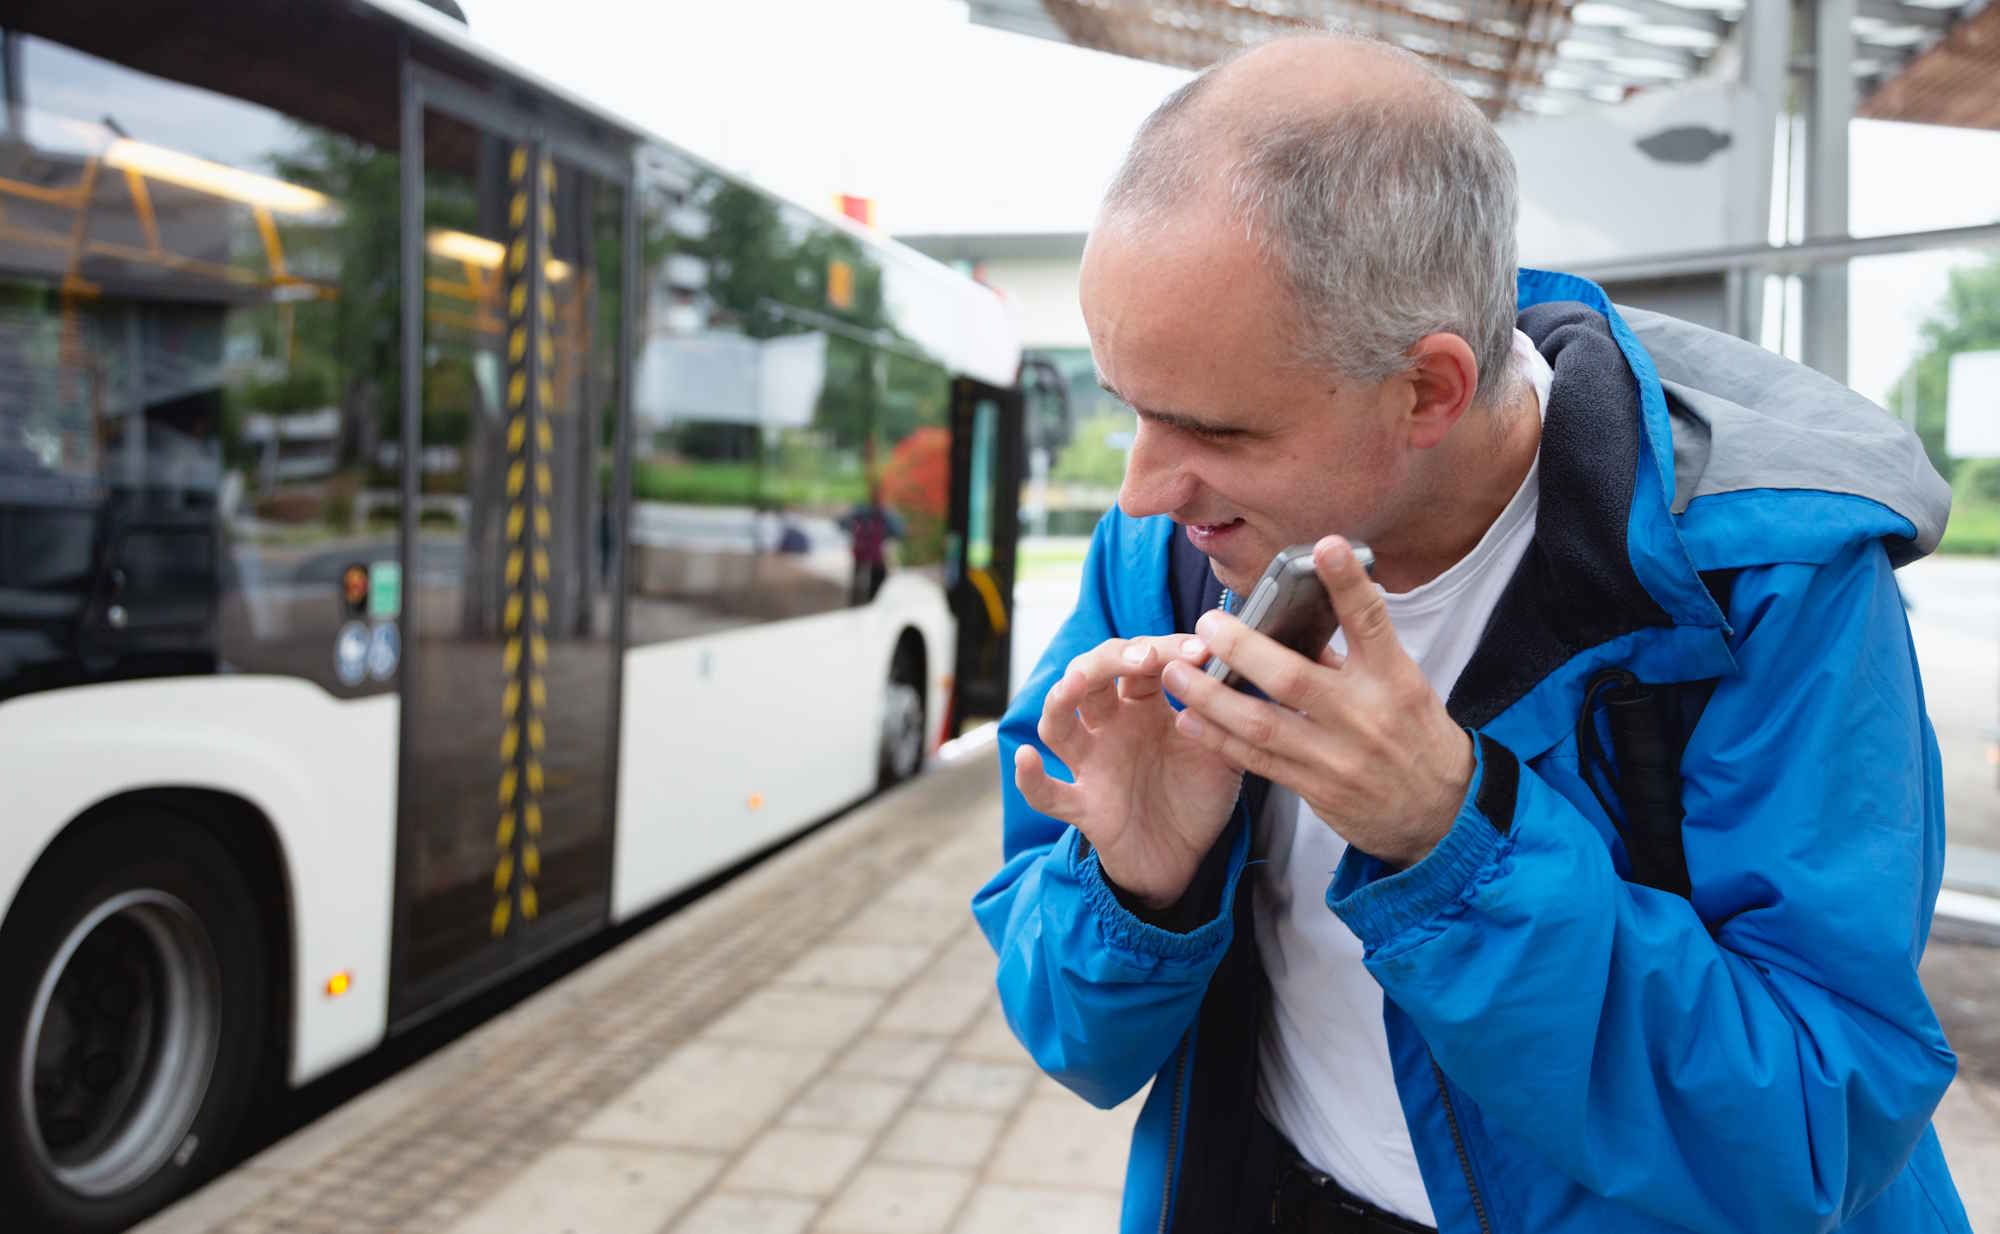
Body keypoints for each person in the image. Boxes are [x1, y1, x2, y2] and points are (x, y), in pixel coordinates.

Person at [972, 30, 1971, 1234]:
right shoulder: (1167, 563)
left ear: (1428, 390)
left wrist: (1452, 836)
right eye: (1126, 406)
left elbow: (1818, 1130)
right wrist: (1138, 882)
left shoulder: (1758, 582)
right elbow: (1071, 1039)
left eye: (1217, 433)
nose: (1141, 489)